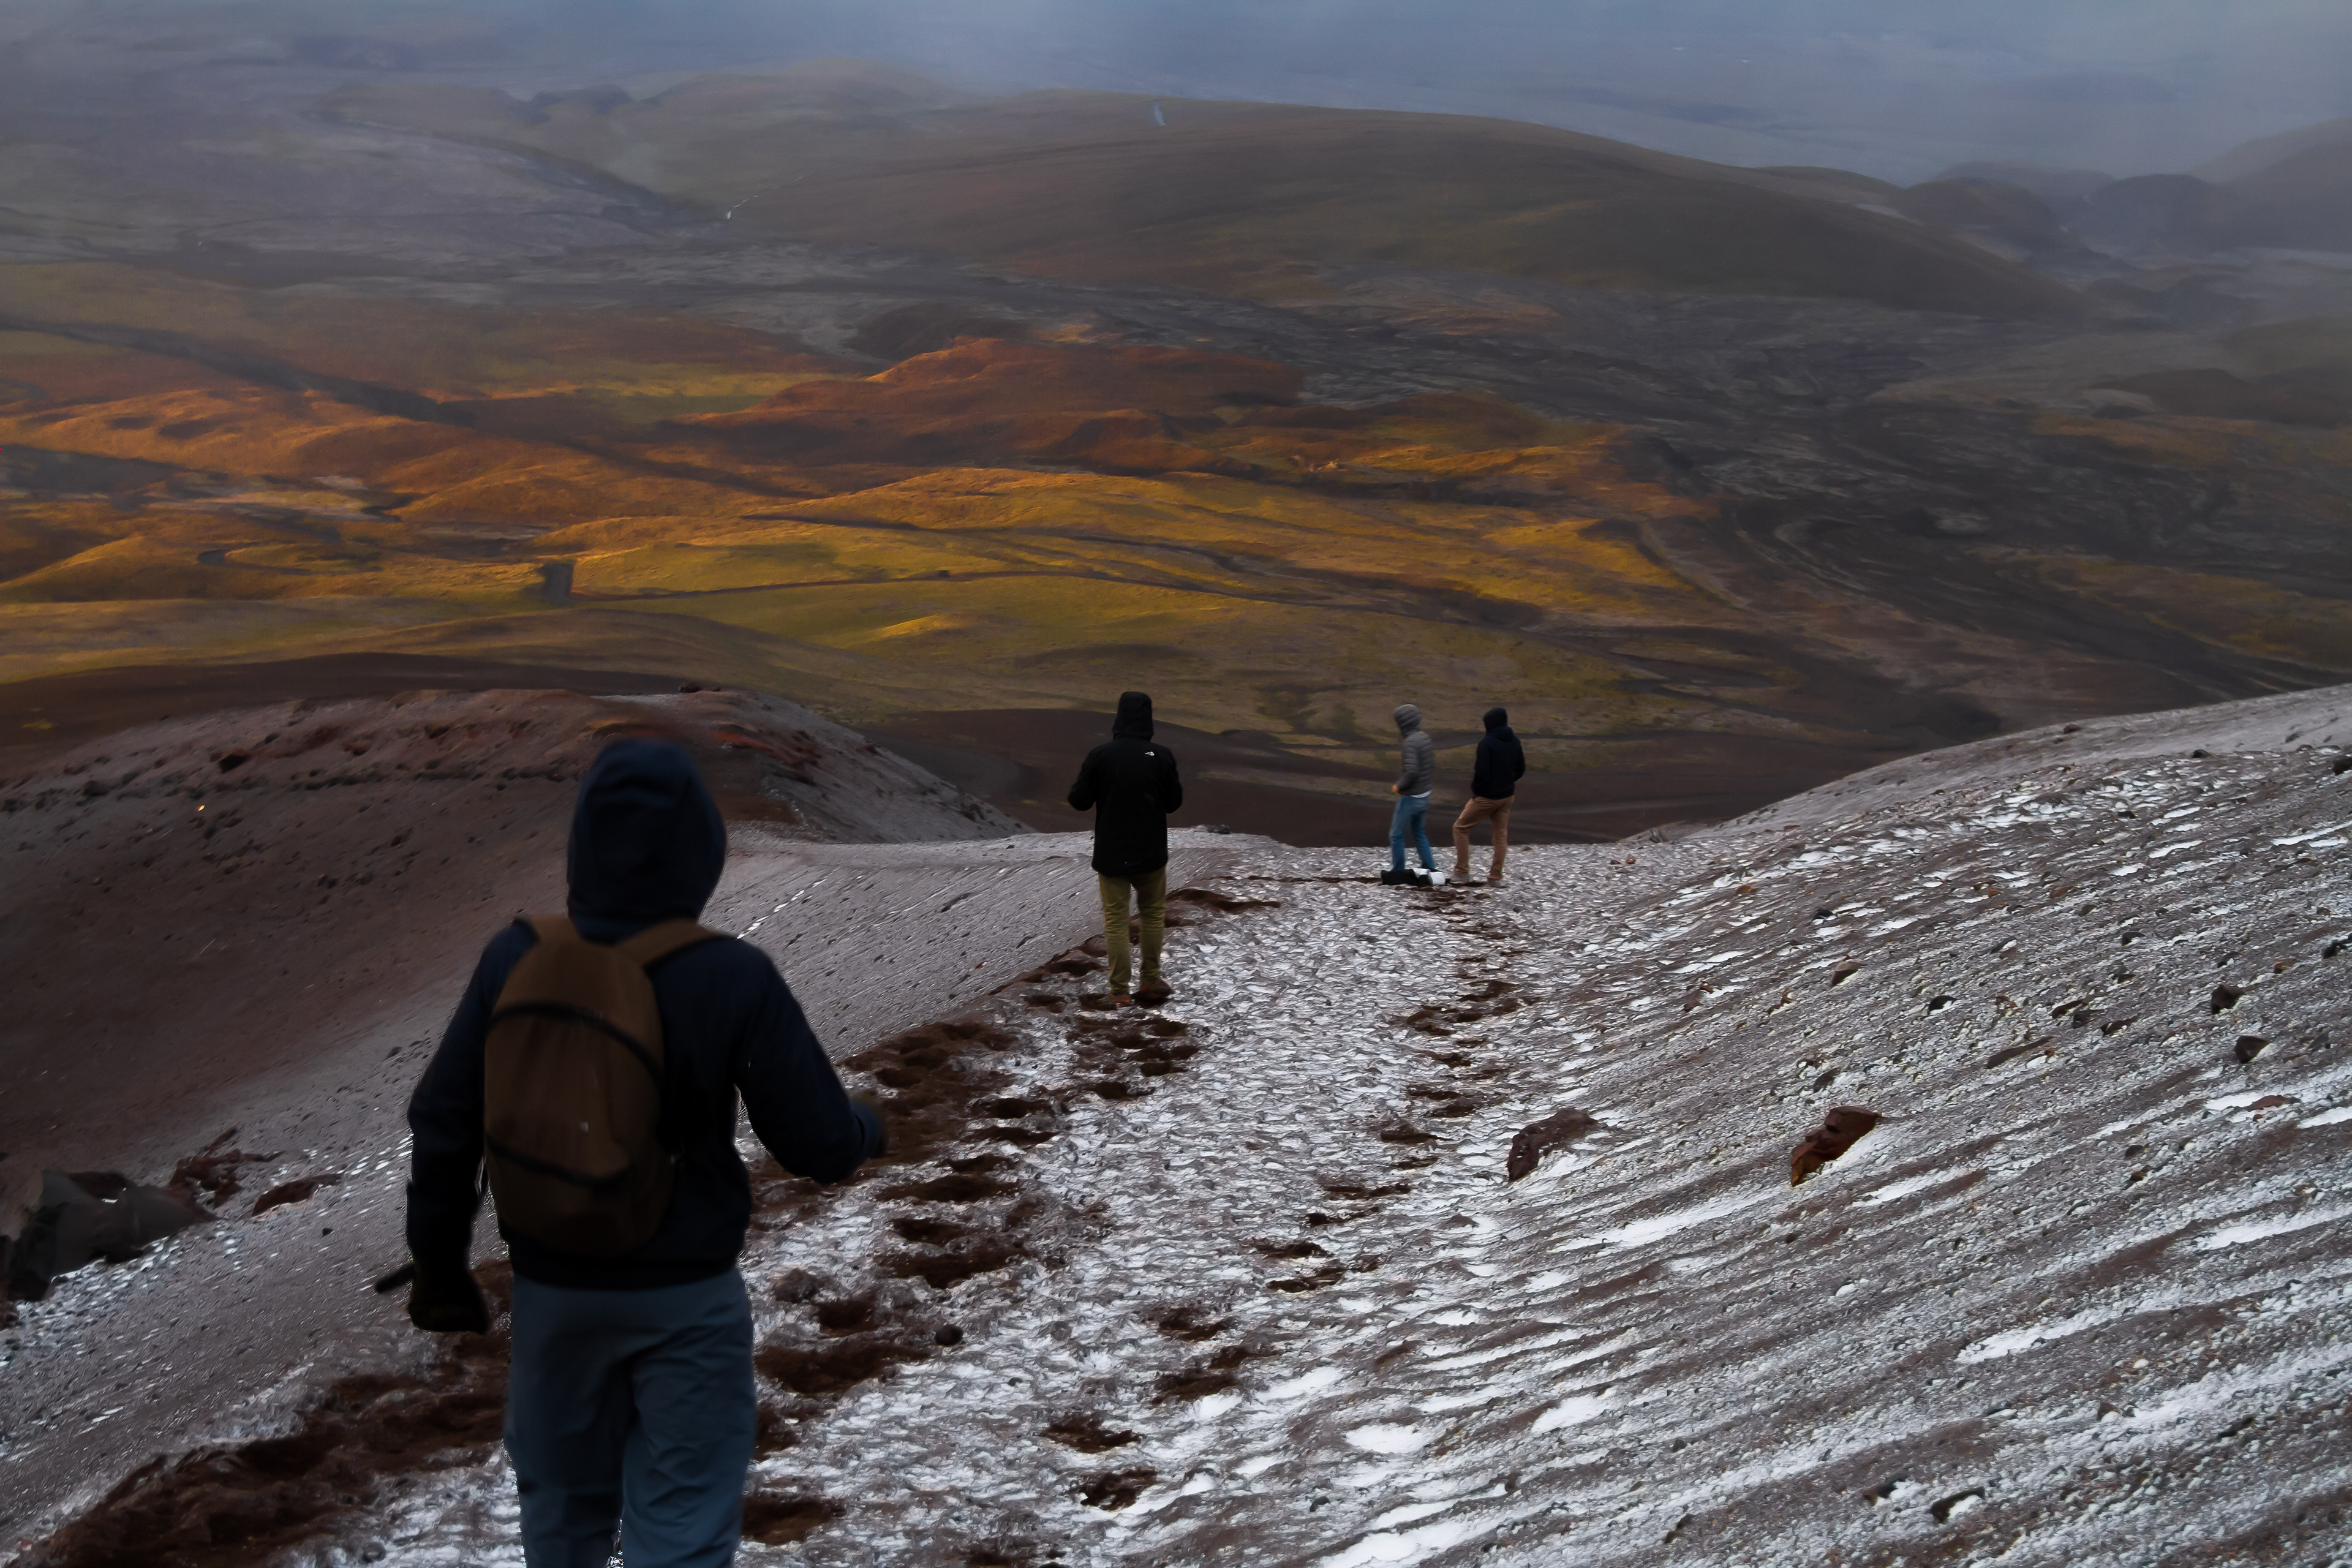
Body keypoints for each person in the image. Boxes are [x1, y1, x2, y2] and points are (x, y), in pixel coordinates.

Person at [404, 739, 883, 1567]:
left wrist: (439, 1268)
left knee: (561, 1516)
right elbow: (818, 1145)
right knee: (684, 1524)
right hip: (685, 1304)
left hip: (552, 1295)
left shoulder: (514, 958)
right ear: (700, 852)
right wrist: (872, 1128)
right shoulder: (732, 976)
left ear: (582, 847)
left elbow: (443, 1118)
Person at [1067, 690, 1184, 1006]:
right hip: (1151, 853)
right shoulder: (1161, 756)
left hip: (1112, 854)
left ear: (1119, 718)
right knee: (1152, 915)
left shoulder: (1101, 755)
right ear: (1149, 719)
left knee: (1116, 920)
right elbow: (1173, 804)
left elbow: (1079, 800)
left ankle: (1119, 992)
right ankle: (1150, 982)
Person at [1453, 705, 1526, 884]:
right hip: (1507, 796)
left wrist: (1478, 792)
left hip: (1487, 797)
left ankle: (1462, 872)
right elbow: (1521, 768)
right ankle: (1496, 877)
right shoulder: (1515, 741)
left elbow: (1482, 773)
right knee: (1500, 836)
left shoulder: (1487, 744)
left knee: (1460, 828)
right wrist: (1509, 782)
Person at [1389, 702, 1438, 881]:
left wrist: (1399, 786)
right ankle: (1430, 868)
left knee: (1396, 834)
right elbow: (1430, 764)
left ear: (1403, 723)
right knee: (1419, 832)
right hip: (1425, 795)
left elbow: (1412, 771)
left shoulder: (1410, 742)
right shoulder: (1424, 737)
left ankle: (1397, 872)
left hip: (1411, 797)